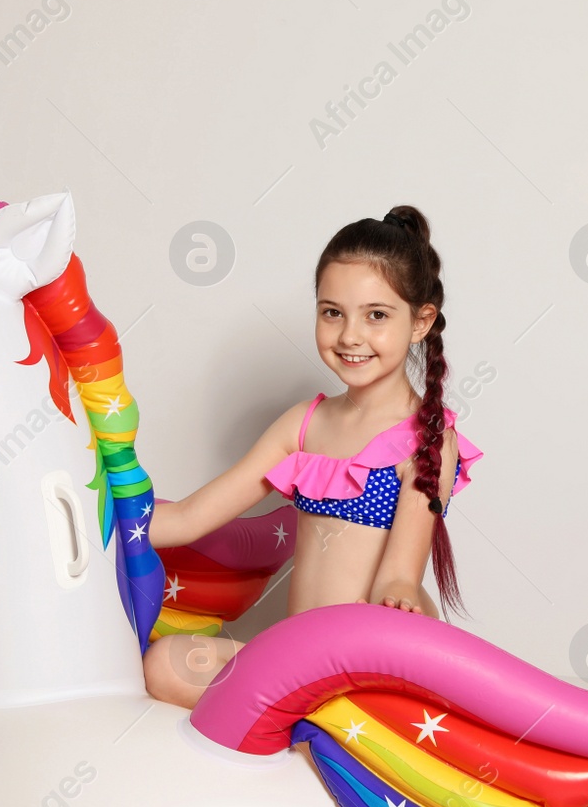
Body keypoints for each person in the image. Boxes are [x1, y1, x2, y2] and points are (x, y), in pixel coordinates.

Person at [144, 206, 483, 708]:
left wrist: (402, 603)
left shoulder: (428, 437)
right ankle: (305, 715)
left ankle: (325, 715)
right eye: (332, 312)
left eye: (376, 315)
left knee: (346, 690)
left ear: (420, 322)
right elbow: (191, 517)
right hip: (297, 654)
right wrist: (103, 517)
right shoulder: (303, 424)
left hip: (373, 650)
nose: (349, 335)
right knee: (164, 665)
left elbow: (398, 577)